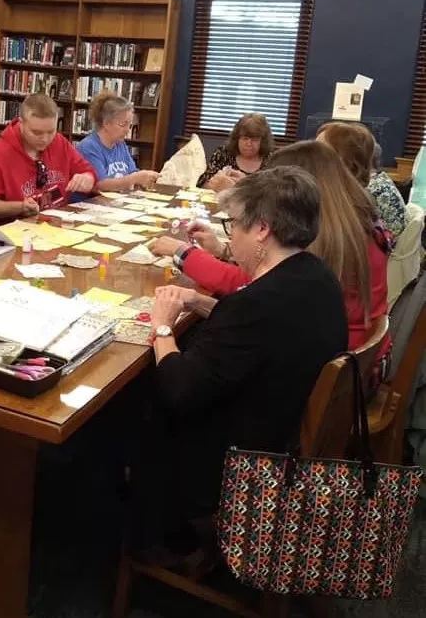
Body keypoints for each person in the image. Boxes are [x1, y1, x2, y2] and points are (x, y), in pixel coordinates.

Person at [133, 167, 348, 570]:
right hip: (280, 428)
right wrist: (199, 303)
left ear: (262, 229)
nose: (231, 237)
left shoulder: (257, 304)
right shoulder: (314, 276)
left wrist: (163, 325)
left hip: (236, 462)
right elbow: (262, 336)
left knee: (133, 400)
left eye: (235, 226)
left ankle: (154, 539)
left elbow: (180, 389)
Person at [151, 140, 390, 354]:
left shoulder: (326, 248)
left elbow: (250, 288)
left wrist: (183, 253)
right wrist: (224, 251)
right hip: (341, 357)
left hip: (323, 371)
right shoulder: (348, 227)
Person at [0, 93, 97, 219]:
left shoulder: (59, 142)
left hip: (57, 225)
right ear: (21, 124)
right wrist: (19, 207)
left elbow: (88, 171)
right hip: (18, 230)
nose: (45, 139)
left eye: (51, 131)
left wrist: (87, 178)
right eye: (36, 132)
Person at [316, 121, 406, 239]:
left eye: (319, 150)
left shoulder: (369, 192)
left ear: (344, 157)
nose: (312, 155)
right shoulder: (374, 180)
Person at [76, 92, 159, 192]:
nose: (127, 130)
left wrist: (144, 179)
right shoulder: (88, 147)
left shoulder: (120, 144)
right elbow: (101, 184)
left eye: (130, 125)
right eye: (123, 124)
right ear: (106, 123)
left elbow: (132, 172)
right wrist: (135, 178)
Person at [196, 113, 274, 191]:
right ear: (237, 139)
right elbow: (201, 186)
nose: (249, 144)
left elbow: (274, 195)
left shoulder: (271, 160)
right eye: (245, 138)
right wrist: (216, 184)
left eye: (254, 140)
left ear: (263, 142)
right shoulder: (223, 153)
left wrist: (241, 185)